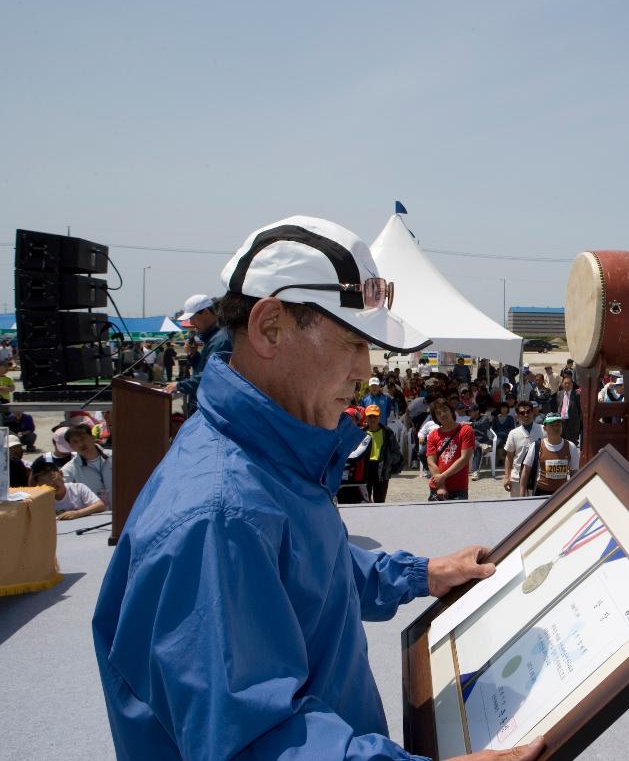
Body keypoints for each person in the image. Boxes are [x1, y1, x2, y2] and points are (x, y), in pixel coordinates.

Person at [92, 215, 542, 761]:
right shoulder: (220, 513)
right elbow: (253, 744)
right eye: (353, 342)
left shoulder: (268, 460)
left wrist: (419, 575)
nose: (365, 370)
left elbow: (309, 571)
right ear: (269, 328)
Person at [168, 293, 233, 416]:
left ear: (206, 313)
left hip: (210, 407)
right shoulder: (215, 337)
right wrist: (193, 355)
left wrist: (179, 385)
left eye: (193, 318)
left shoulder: (221, 339)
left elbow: (211, 375)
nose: (191, 323)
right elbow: (205, 368)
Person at [516, 413, 580, 496]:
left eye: (558, 425)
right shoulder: (536, 446)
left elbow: (574, 473)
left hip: (562, 493)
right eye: (552, 425)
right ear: (545, 428)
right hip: (541, 492)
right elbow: (526, 471)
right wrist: (522, 494)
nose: (555, 428)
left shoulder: (571, 446)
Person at [425, 398, 475, 501]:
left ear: (451, 411)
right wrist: (441, 485)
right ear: (436, 418)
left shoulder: (465, 430)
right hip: (437, 486)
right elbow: (431, 461)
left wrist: (443, 476)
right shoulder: (433, 435)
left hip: (458, 487)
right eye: (438, 413)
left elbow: (464, 458)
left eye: (445, 410)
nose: (443, 414)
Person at [32, 458, 107, 520]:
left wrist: (78, 513)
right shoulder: (40, 500)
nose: (51, 483)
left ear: (61, 474)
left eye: (52, 477)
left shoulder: (78, 488)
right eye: (44, 482)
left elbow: (100, 506)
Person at [355, 404, 402, 503]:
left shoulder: (387, 432)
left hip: (382, 470)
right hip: (365, 470)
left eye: (375, 416)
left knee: (380, 502)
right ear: (366, 417)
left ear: (379, 416)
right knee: (364, 502)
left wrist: (388, 461)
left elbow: (396, 452)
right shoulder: (360, 433)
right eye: (370, 416)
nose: (372, 419)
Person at [62, 422, 113, 506]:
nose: (81, 444)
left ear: (92, 437)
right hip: (92, 516)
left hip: (123, 512)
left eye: (83, 439)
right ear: (71, 446)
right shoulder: (69, 469)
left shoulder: (115, 457)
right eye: (75, 442)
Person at [502, 401, 544, 494]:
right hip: (517, 477)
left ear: (533, 412)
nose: (525, 415)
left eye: (528, 411)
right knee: (517, 507)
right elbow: (509, 457)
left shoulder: (543, 430)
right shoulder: (513, 433)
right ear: (517, 415)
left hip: (539, 478)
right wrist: (506, 477)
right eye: (522, 413)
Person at [550, 375, 582, 444]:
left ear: (572, 384)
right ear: (562, 384)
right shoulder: (559, 393)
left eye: (569, 383)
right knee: (560, 443)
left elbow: (580, 410)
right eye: (565, 383)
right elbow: (557, 406)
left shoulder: (577, 395)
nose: (567, 385)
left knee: (571, 444)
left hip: (572, 423)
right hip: (561, 422)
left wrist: (578, 422)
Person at [468, 405, 493, 478]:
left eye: (471, 411)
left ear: (477, 411)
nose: (469, 413)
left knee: (478, 448)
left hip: (484, 440)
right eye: (469, 411)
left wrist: (471, 424)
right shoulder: (471, 420)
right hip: (474, 441)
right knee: (473, 441)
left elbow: (482, 425)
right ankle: (481, 446)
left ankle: (475, 471)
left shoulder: (484, 418)